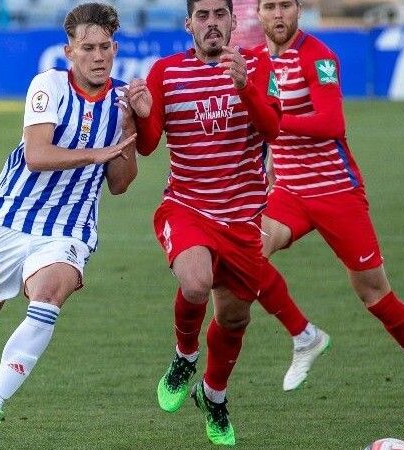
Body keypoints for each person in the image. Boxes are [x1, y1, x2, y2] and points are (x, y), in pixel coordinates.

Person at [0, 3, 140, 447]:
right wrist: (95, 155)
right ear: (69, 51)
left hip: (69, 225)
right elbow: (38, 155)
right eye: (87, 48)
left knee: (48, 298)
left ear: (115, 48)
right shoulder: (49, 85)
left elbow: (118, 184)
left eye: (105, 48)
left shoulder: (121, 102)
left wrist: (128, 130)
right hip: (11, 217)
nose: (98, 57)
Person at [254, 0, 404, 413]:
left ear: (298, 10)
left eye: (286, 5)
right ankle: (304, 336)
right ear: (259, 14)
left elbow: (331, 122)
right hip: (288, 193)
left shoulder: (319, 56)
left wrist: (272, 121)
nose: (279, 14)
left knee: (374, 293)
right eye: (270, 6)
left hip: (336, 191)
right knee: (246, 254)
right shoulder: (255, 61)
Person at [125, 0, 282, 444]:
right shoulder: (166, 72)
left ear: (234, 21)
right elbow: (151, 144)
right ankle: (183, 355)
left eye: (219, 15)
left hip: (243, 219)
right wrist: (140, 110)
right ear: (188, 23)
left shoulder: (257, 65)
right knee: (195, 283)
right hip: (188, 207)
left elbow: (272, 128)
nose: (211, 24)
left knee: (233, 318)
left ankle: (213, 395)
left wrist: (245, 87)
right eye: (203, 16)